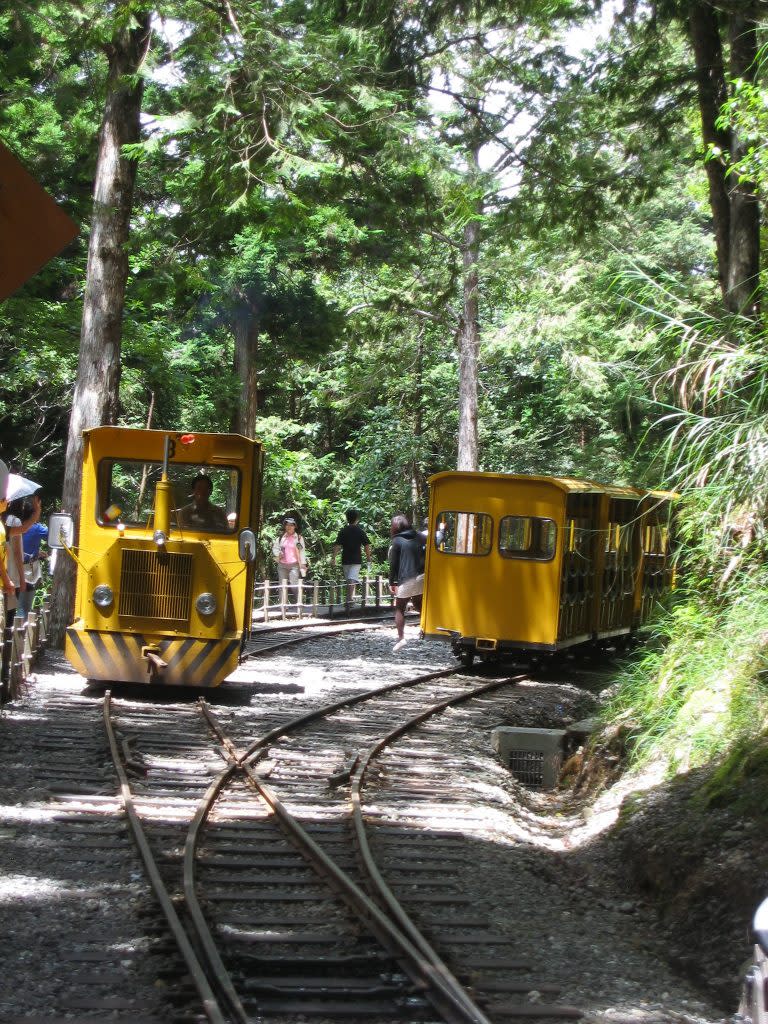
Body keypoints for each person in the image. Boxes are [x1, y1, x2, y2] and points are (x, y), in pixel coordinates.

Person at [388, 513, 425, 653]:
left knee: (400, 608)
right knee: (418, 603)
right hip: (422, 576)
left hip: (406, 578)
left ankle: (401, 638)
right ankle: (427, 628)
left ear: (395, 527)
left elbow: (394, 564)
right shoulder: (420, 536)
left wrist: (392, 581)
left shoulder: (397, 541)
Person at [19, 491, 47, 620]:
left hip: (12, 568)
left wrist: (37, 553)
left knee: (15, 605)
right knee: (25, 606)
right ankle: (21, 633)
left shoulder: (13, 526)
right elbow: (52, 535)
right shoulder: (36, 528)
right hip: (27, 571)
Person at [332, 509, 372, 599]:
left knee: (350, 579)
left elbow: (337, 546)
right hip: (356, 559)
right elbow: (366, 545)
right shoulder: (360, 531)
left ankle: (349, 598)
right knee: (352, 579)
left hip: (345, 558)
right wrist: (368, 558)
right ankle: (349, 598)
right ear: (357, 519)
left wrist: (333, 558)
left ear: (347, 519)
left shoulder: (343, 531)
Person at [272, 517, 309, 601]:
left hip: (294, 565)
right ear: (285, 526)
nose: (289, 527)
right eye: (287, 525)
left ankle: (299, 602)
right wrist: (278, 554)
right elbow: (275, 548)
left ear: (295, 526)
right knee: (282, 585)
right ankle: (283, 605)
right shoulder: (281, 538)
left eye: (291, 525)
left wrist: (303, 564)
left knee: (294, 584)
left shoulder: (298, 538)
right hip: (282, 565)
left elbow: (301, 551)